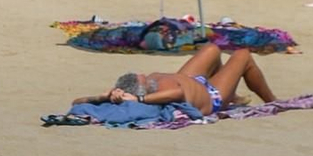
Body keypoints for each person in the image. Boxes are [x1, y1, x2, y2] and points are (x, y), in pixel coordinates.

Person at [94, 41, 279, 115]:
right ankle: (273, 101)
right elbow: (178, 92)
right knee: (243, 55)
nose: (142, 74)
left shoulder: (150, 83)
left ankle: (233, 95)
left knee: (212, 49)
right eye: (140, 78)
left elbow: (78, 101)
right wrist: (138, 99)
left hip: (190, 79)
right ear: (140, 89)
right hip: (211, 95)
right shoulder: (155, 94)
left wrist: (102, 96)